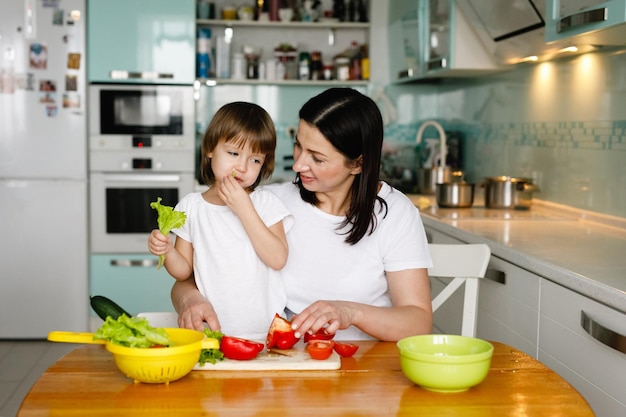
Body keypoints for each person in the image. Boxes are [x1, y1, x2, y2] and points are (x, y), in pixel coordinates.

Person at [171, 88, 433, 341]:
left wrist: (350, 312)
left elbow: (418, 322)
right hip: (281, 360)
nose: (297, 165)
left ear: (358, 164)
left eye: (317, 158)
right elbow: (191, 278)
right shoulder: (267, 203)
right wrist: (190, 301)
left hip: (364, 363)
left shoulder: (396, 214)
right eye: (298, 146)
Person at [148, 101, 293, 340]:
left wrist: (244, 209)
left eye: (255, 160)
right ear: (210, 149)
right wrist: (168, 251)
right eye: (233, 153)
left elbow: (278, 259)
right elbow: (183, 272)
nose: (242, 167)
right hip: (210, 332)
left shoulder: (265, 203)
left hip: (265, 332)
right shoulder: (192, 207)